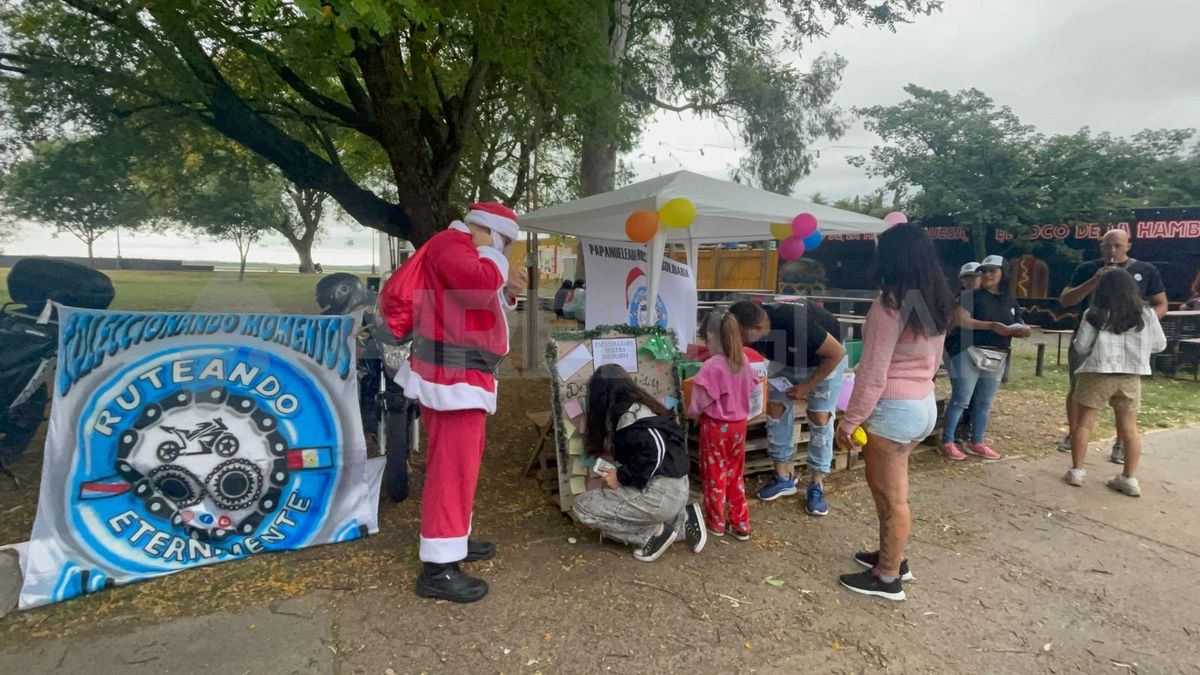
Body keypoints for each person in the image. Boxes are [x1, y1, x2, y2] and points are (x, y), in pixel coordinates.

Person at [379, 201, 528, 604]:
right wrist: (497, 264)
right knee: (451, 469)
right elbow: (477, 289)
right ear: (490, 231)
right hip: (451, 379)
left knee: (461, 465)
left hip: (460, 376)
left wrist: (508, 289)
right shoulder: (452, 244)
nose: (508, 250)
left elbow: (480, 305)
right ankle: (438, 569)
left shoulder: (463, 249)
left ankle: (453, 540)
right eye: (506, 241)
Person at [834, 223, 955, 601]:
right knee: (891, 494)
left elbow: (873, 372)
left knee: (892, 498)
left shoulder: (889, 305)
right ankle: (891, 556)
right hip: (922, 404)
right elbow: (934, 359)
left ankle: (888, 577)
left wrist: (850, 421)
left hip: (894, 409)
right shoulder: (936, 299)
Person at [572, 364, 707, 561]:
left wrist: (621, 476)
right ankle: (682, 521)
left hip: (660, 494)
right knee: (609, 497)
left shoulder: (636, 421)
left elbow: (654, 454)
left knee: (582, 506)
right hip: (674, 489)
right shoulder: (644, 408)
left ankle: (654, 533)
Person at [1059, 230, 1168, 463]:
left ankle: (1120, 444)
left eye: (1117, 245)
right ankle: (1073, 435)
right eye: (1107, 245)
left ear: (1128, 245)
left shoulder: (1145, 270)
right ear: (1101, 246)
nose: (1112, 250)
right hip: (1090, 339)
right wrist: (1094, 281)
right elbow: (1066, 300)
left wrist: (1142, 326)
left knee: (1124, 403)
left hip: (1128, 344)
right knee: (1078, 390)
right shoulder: (1088, 268)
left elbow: (1161, 304)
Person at [730, 299, 846, 517]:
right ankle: (783, 476)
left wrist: (807, 387)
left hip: (823, 360)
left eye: (744, 338)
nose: (742, 343)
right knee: (775, 409)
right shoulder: (746, 324)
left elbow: (836, 354)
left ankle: (816, 483)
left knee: (819, 416)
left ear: (758, 328)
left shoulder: (797, 324)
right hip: (786, 361)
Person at [1064, 269, 1166, 495]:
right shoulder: (1146, 314)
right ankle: (1129, 478)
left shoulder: (1095, 313)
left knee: (1084, 424)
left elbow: (1081, 346)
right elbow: (1160, 345)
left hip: (1097, 372)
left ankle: (1077, 471)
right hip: (1130, 376)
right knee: (1129, 428)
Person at [941, 255, 1032, 461]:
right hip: (968, 351)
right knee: (961, 400)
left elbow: (1018, 321)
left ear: (1003, 274)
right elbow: (961, 320)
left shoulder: (1010, 300)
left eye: (992, 271)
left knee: (983, 402)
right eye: (984, 271)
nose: (987, 275)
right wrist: (991, 325)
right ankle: (948, 440)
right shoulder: (970, 296)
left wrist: (1023, 330)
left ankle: (977, 441)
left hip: (997, 355)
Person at [687, 311, 762, 540]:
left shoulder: (712, 366)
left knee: (714, 474)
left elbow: (698, 401)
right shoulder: (743, 360)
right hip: (739, 426)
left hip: (715, 427)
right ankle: (740, 522)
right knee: (734, 474)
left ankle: (716, 521)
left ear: (711, 336)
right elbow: (753, 387)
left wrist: (691, 414)